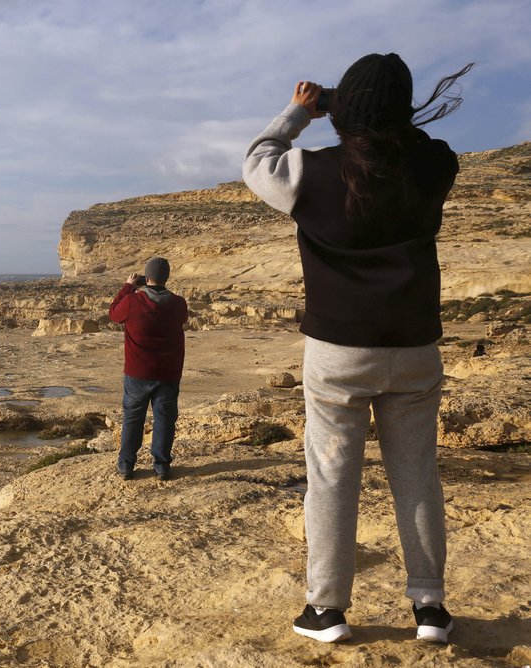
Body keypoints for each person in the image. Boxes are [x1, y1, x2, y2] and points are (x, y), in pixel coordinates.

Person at [242, 53, 472, 645]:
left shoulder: (310, 173)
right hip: (416, 347)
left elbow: (256, 161)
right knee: (417, 475)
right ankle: (430, 609)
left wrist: (304, 111)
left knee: (332, 477)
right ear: (400, 111)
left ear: (347, 110)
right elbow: (417, 141)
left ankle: (327, 611)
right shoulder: (434, 166)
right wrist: (371, 110)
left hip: (339, 351)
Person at [109, 256, 189, 481]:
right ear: (167, 277)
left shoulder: (133, 301)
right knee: (164, 419)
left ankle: (126, 466)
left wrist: (127, 287)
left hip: (137, 372)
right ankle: (162, 466)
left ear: (147, 277)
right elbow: (182, 318)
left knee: (133, 419)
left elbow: (114, 314)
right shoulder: (178, 303)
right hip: (168, 372)